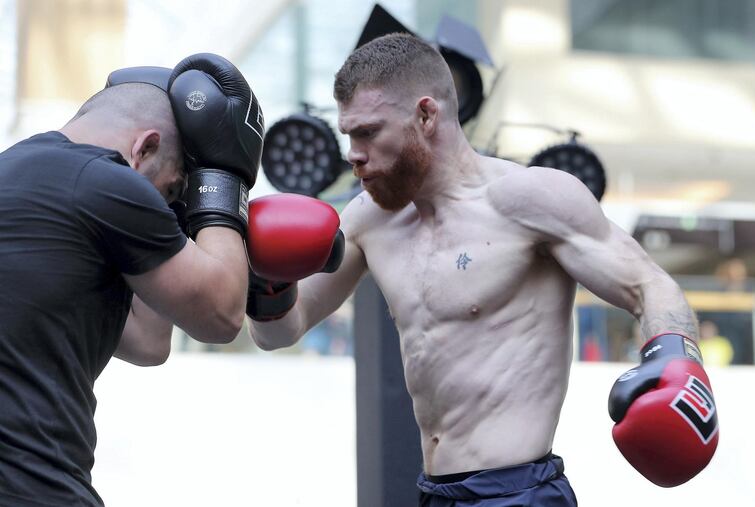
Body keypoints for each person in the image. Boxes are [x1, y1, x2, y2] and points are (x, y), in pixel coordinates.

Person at [247, 34, 719, 506]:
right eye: (349, 135)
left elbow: (649, 284)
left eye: (368, 132)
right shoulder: (368, 219)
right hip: (435, 492)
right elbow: (279, 332)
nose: (353, 153)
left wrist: (679, 362)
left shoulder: (528, 200)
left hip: (519, 492)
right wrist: (266, 277)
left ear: (426, 115)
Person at [0, 54, 264, 506]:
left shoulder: (21, 175)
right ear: (144, 148)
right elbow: (221, 315)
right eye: (170, 193)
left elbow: (148, 341)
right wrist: (224, 179)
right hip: (33, 487)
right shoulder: (104, 181)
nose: (168, 207)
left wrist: (172, 223)